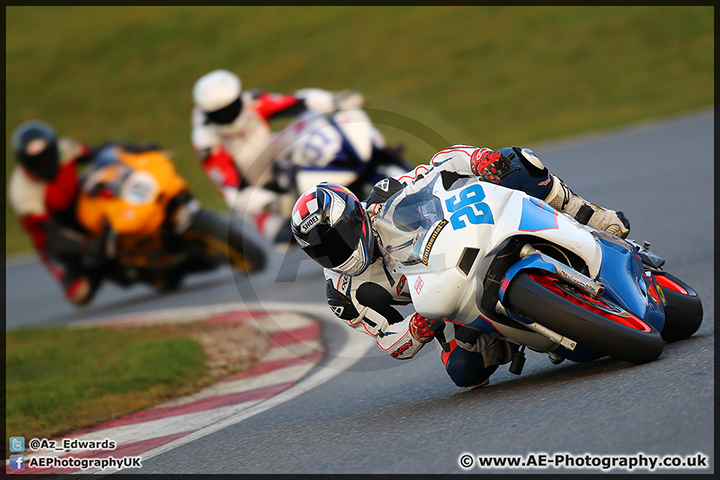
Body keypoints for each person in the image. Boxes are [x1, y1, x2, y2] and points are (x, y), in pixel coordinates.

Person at [290, 145, 631, 388]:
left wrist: (479, 160)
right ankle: (517, 331)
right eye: (324, 251)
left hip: (464, 238)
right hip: (446, 301)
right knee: (464, 372)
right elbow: (388, 338)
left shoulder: (386, 196)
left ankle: (589, 215)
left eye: (338, 239)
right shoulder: (343, 294)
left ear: (355, 216)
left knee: (515, 162)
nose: (338, 253)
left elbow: (442, 163)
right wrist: (415, 329)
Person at [191, 69, 367, 245]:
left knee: (312, 120)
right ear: (208, 114)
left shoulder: (251, 102)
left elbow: (300, 100)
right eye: (220, 112)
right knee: (283, 235)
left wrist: (333, 101)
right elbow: (233, 193)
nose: (227, 115)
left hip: (275, 154)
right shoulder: (207, 143)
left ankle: (359, 158)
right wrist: (272, 203)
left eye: (230, 107)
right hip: (258, 189)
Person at [8, 120, 114, 306]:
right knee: (80, 293)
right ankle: (95, 272)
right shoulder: (22, 191)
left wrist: (135, 149)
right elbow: (54, 238)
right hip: (55, 235)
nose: (45, 163)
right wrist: (90, 247)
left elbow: (101, 152)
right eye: (37, 161)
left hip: (79, 207)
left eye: (48, 156)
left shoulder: (65, 149)